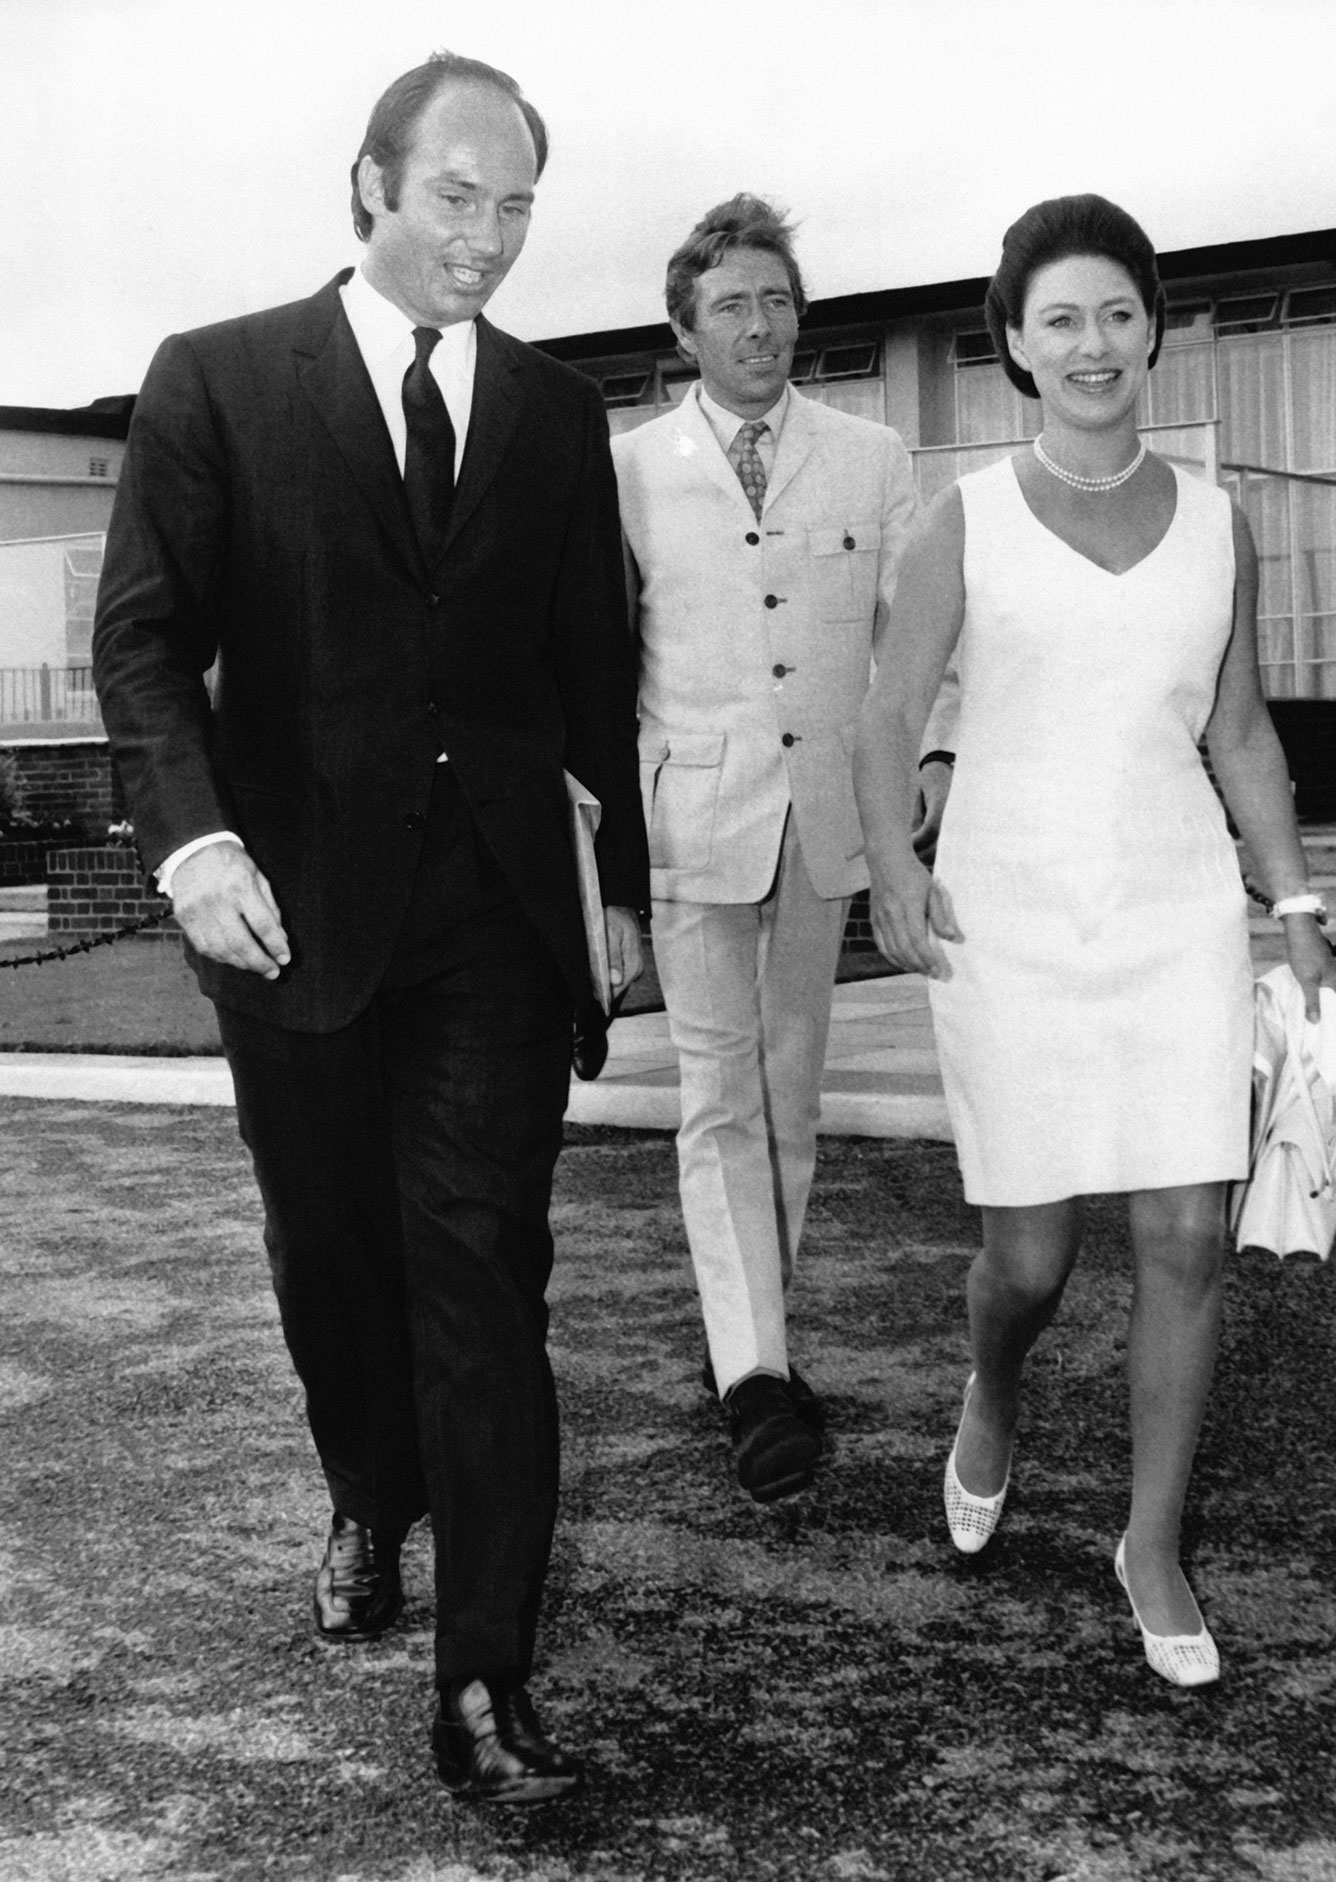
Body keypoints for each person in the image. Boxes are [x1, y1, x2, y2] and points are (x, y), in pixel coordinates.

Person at [92, 53, 648, 1800]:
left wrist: (612, 885)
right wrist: (196, 846)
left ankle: (486, 1680)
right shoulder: (219, 382)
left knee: (481, 1271)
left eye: (516, 207)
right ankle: (365, 1486)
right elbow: (143, 644)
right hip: (290, 915)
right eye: (457, 198)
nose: (489, 238)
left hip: (491, 915)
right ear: (372, 185)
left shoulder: (558, 419)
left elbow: (589, 673)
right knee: (336, 1263)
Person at [854, 194, 1336, 1688]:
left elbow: (1240, 723)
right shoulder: (962, 521)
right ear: (1013, 342)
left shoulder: (1217, 519)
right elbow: (885, 715)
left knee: (1186, 1237)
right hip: (1008, 915)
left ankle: (1152, 1539)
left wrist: (1299, 904)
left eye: (1117, 313)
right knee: (1033, 1253)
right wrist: (889, 867)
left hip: (1176, 906)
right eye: (1059, 317)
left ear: (1153, 329)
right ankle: (993, 1387)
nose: (1093, 343)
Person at [612, 195, 943, 1503]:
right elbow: (601, 661)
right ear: (686, 326)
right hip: (692, 823)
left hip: (824, 821)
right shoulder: (628, 468)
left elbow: (917, 633)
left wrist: (929, 755)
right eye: (732, 305)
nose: (759, 326)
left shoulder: (870, 454)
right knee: (716, 1089)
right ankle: (754, 1371)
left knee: (788, 1087)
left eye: (777, 301)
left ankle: (763, 1348)